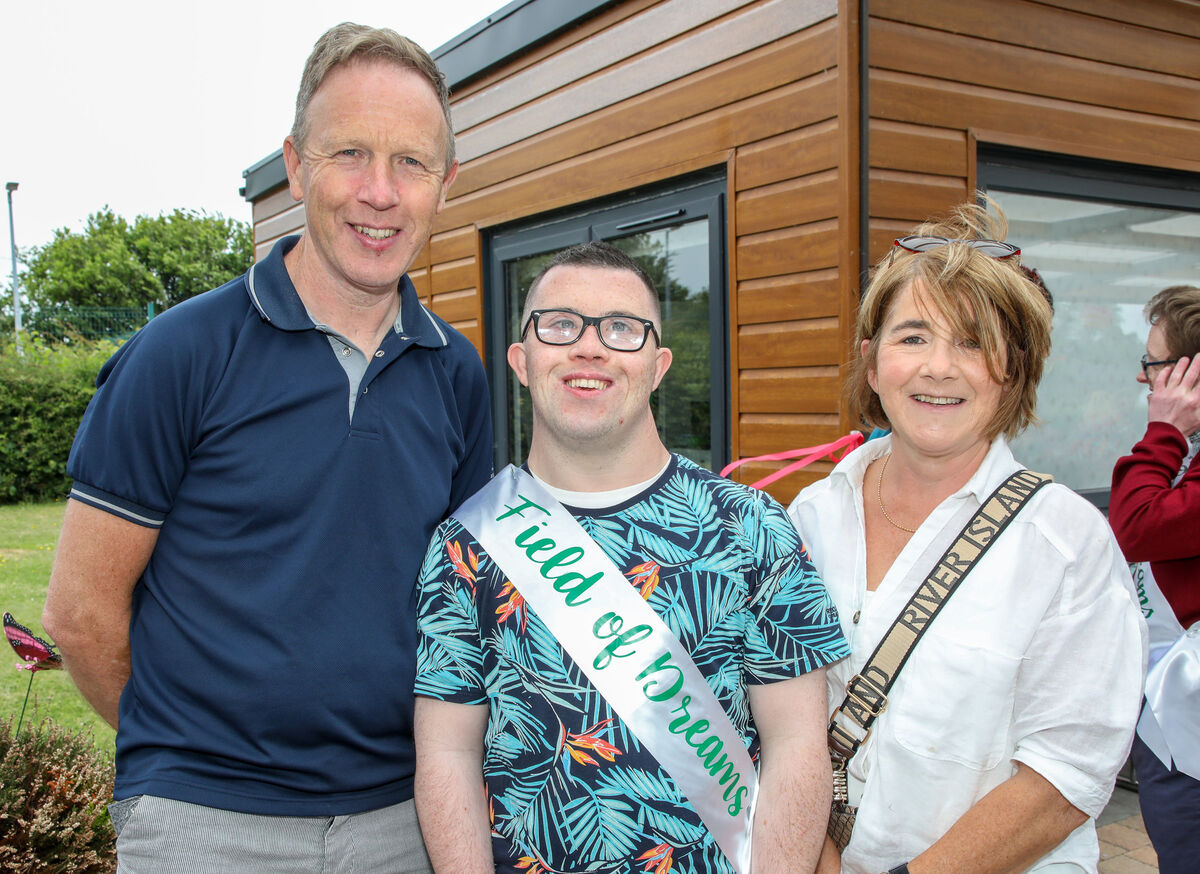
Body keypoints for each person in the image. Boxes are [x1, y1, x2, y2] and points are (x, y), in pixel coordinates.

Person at [41, 23, 491, 873]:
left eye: (411, 163)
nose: (380, 192)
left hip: (406, 819)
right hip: (205, 823)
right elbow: (79, 613)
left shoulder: (456, 373)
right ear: (295, 165)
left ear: (446, 182)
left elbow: (466, 607)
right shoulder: (182, 355)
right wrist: (189, 748)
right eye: (350, 153)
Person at [412, 241, 849, 874]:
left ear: (659, 363)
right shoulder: (465, 544)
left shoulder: (752, 525)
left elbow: (798, 746)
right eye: (560, 325)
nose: (589, 347)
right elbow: (447, 756)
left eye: (622, 328)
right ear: (522, 361)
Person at [787, 202, 1147, 874]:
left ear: (1014, 371)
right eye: (913, 336)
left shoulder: (1067, 541)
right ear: (872, 362)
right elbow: (787, 718)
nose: (939, 368)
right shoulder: (812, 515)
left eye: (973, 343)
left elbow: (1067, 776)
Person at [1108, 284, 1200, 874]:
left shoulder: (1178, 443)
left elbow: (1138, 526)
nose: (1145, 378)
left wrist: (1162, 432)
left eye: (1155, 362)